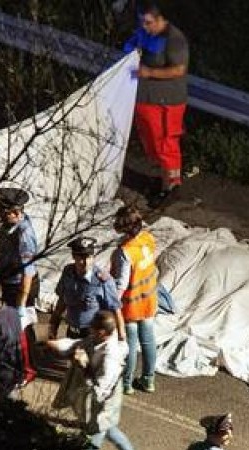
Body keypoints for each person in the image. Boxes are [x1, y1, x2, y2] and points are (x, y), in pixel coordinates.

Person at [46, 310, 145, 450]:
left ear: (103, 332)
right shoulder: (95, 340)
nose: (90, 330)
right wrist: (53, 344)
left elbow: (100, 390)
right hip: (98, 406)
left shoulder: (110, 356)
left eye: (93, 328)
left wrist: (84, 366)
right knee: (111, 430)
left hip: (101, 406)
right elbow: (77, 343)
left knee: (90, 445)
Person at [124, 3, 189, 202]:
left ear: (160, 19)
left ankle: (171, 185)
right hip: (146, 99)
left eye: (148, 22)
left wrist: (150, 72)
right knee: (152, 143)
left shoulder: (174, 39)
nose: (144, 26)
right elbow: (130, 45)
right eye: (142, 22)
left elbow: (179, 70)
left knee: (165, 144)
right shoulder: (144, 33)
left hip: (166, 102)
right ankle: (162, 179)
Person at [110, 205, 158, 394]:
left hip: (131, 306)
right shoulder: (148, 238)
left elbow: (121, 283)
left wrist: (112, 305)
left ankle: (126, 383)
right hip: (149, 299)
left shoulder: (125, 252)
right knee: (148, 341)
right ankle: (148, 379)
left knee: (129, 345)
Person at [48, 236, 126, 341]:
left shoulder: (103, 280)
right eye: (81, 258)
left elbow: (116, 310)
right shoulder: (68, 273)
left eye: (89, 257)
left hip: (93, 335)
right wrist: (53, 326)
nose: (85, 262)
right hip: (72, 333)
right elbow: (61, 302)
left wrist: (121, 337)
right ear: (73, 257)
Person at [0, 187, 39, 340]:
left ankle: (26, 362)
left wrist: (22, 303)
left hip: (19, 287)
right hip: (8, 284)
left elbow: (28, 271)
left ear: (16, 213)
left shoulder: (24, 234)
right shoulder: (8, 227)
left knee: (21, 330)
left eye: (4, 213)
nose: (0, 215)